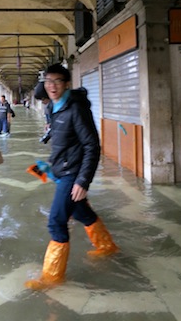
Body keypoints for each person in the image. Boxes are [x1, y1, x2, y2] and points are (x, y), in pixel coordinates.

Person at [25, 63, 118, 291]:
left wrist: (82, 181)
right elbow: (62, 142)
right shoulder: (53, 108)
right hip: (62, 170)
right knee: (80, 211)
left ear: (66, 84)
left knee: (56, 221)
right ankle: (106, 247)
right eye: (48, 81)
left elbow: (91, 145)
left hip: (72, 174)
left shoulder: (76, 108)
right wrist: (49, 167)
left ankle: (52, 277)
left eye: (57, 81)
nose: (52, 86)